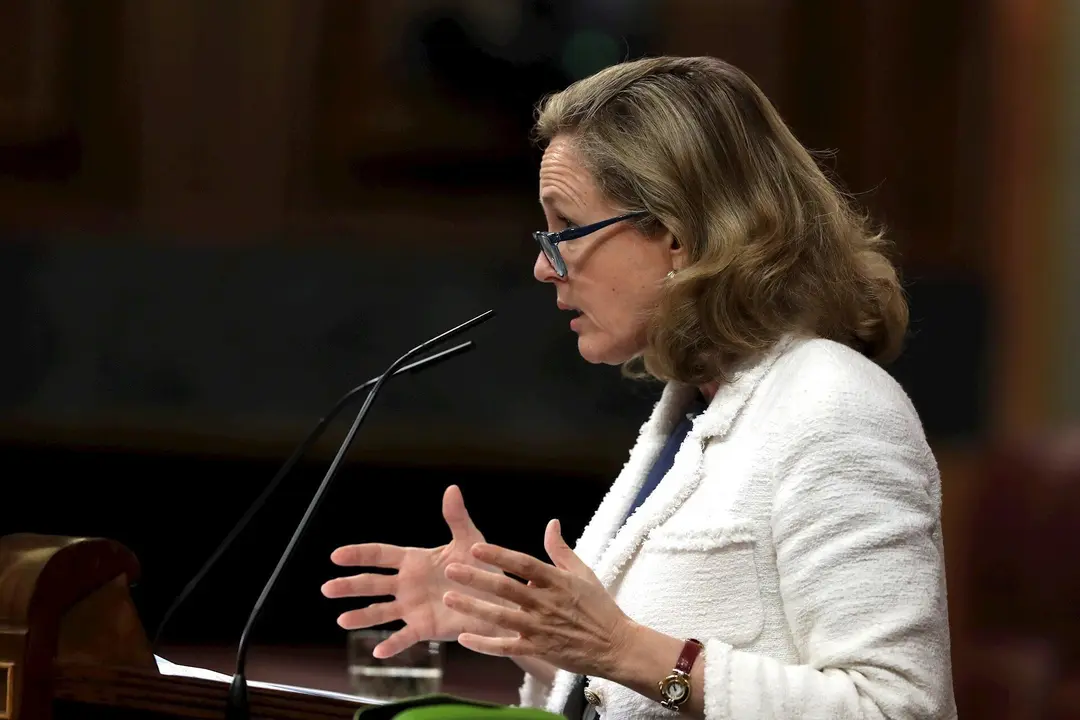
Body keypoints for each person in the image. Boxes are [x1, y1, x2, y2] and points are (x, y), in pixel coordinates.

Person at [321, 55, 957, 719]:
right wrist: (524, 625)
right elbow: (629, 689)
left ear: (679, 236)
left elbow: (898, 709)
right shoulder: (693, 409)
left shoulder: (836, 406)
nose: (544, 266)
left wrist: (624, 648)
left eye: (566, 228)